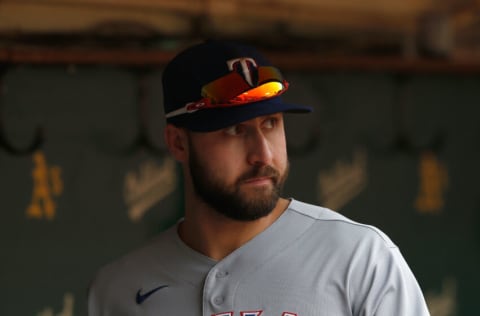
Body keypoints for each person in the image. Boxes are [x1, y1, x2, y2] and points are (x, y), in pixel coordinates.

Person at [88, 40, 430, 316]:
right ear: (178, 142)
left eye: (271, 124)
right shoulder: (120, 288)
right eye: (235, 130)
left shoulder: (360, 260)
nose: (263, 155)